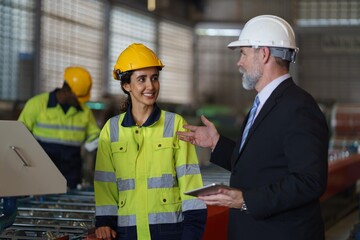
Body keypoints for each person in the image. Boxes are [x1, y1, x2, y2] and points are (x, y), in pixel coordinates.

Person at [177, 15, 329, 240]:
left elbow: (309, 181)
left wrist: (245, 200)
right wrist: (216, 143)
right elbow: (259, 164)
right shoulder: (263, 104)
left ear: (264, 54)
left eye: (244, 53)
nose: (239, 62)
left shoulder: (298, 107)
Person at [94, 43, 207, 240]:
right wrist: (104, 222)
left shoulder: (176, 124)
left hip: (170, 231)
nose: (151, 86)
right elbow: (105, 184)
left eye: (154, 78)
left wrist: (192, 233)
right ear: (126, 85)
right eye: (142, 79)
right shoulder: (111, 130)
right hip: (127, 232)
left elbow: (191, 184)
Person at [18, 66, 100, 189]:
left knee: (69, 203)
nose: (80, 102)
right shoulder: (37, 104)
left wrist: (94, 142)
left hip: (72, 170)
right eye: (78, 97)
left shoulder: (84, 111)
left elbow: (94, 133)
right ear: (67, 91)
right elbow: (19, 134)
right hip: (42, 167)